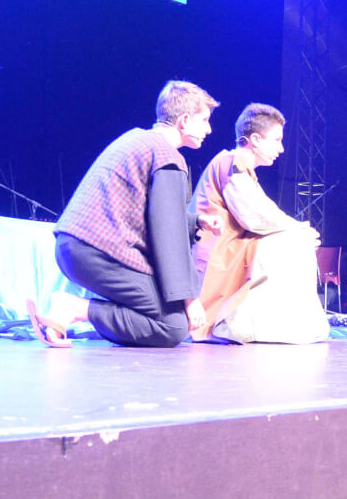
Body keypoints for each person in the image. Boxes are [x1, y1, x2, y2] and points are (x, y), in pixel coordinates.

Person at [28, 81, 216, 348]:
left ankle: (72, 309)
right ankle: (74, 308)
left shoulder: (135, 139)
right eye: (204, 120)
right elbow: (168, 236)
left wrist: (196, 221)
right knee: (173, 325)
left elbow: (151, 214)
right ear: (184, 121)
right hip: (98, 253)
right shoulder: (168, 158)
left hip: (72, 248)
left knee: (165, 312)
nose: (209, 129)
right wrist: (190, 298)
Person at [191, 102, 329, 345]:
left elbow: (263, 212)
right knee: (293, 241)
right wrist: (299, 230)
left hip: (231, 247)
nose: (281, 148)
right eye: (276, 140)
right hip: (216, 253)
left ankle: (274, 323)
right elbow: (256, 215)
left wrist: (298, 230)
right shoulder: (232, 163)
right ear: (255, 139)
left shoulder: (240, 168)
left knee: (295, 238)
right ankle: (255, 325)